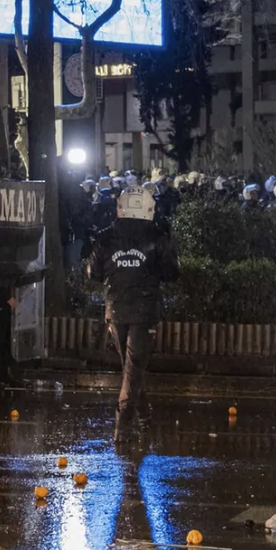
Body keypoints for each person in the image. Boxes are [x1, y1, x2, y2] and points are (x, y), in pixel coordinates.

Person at [88, 185, 180, 441]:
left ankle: (142, 414)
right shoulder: (157, 235)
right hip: (145, 310)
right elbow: (172, 272)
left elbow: (92, 272)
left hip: (115, 309)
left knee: (130, 367)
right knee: (133, 366)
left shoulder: (106, 237)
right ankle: (124, 425)